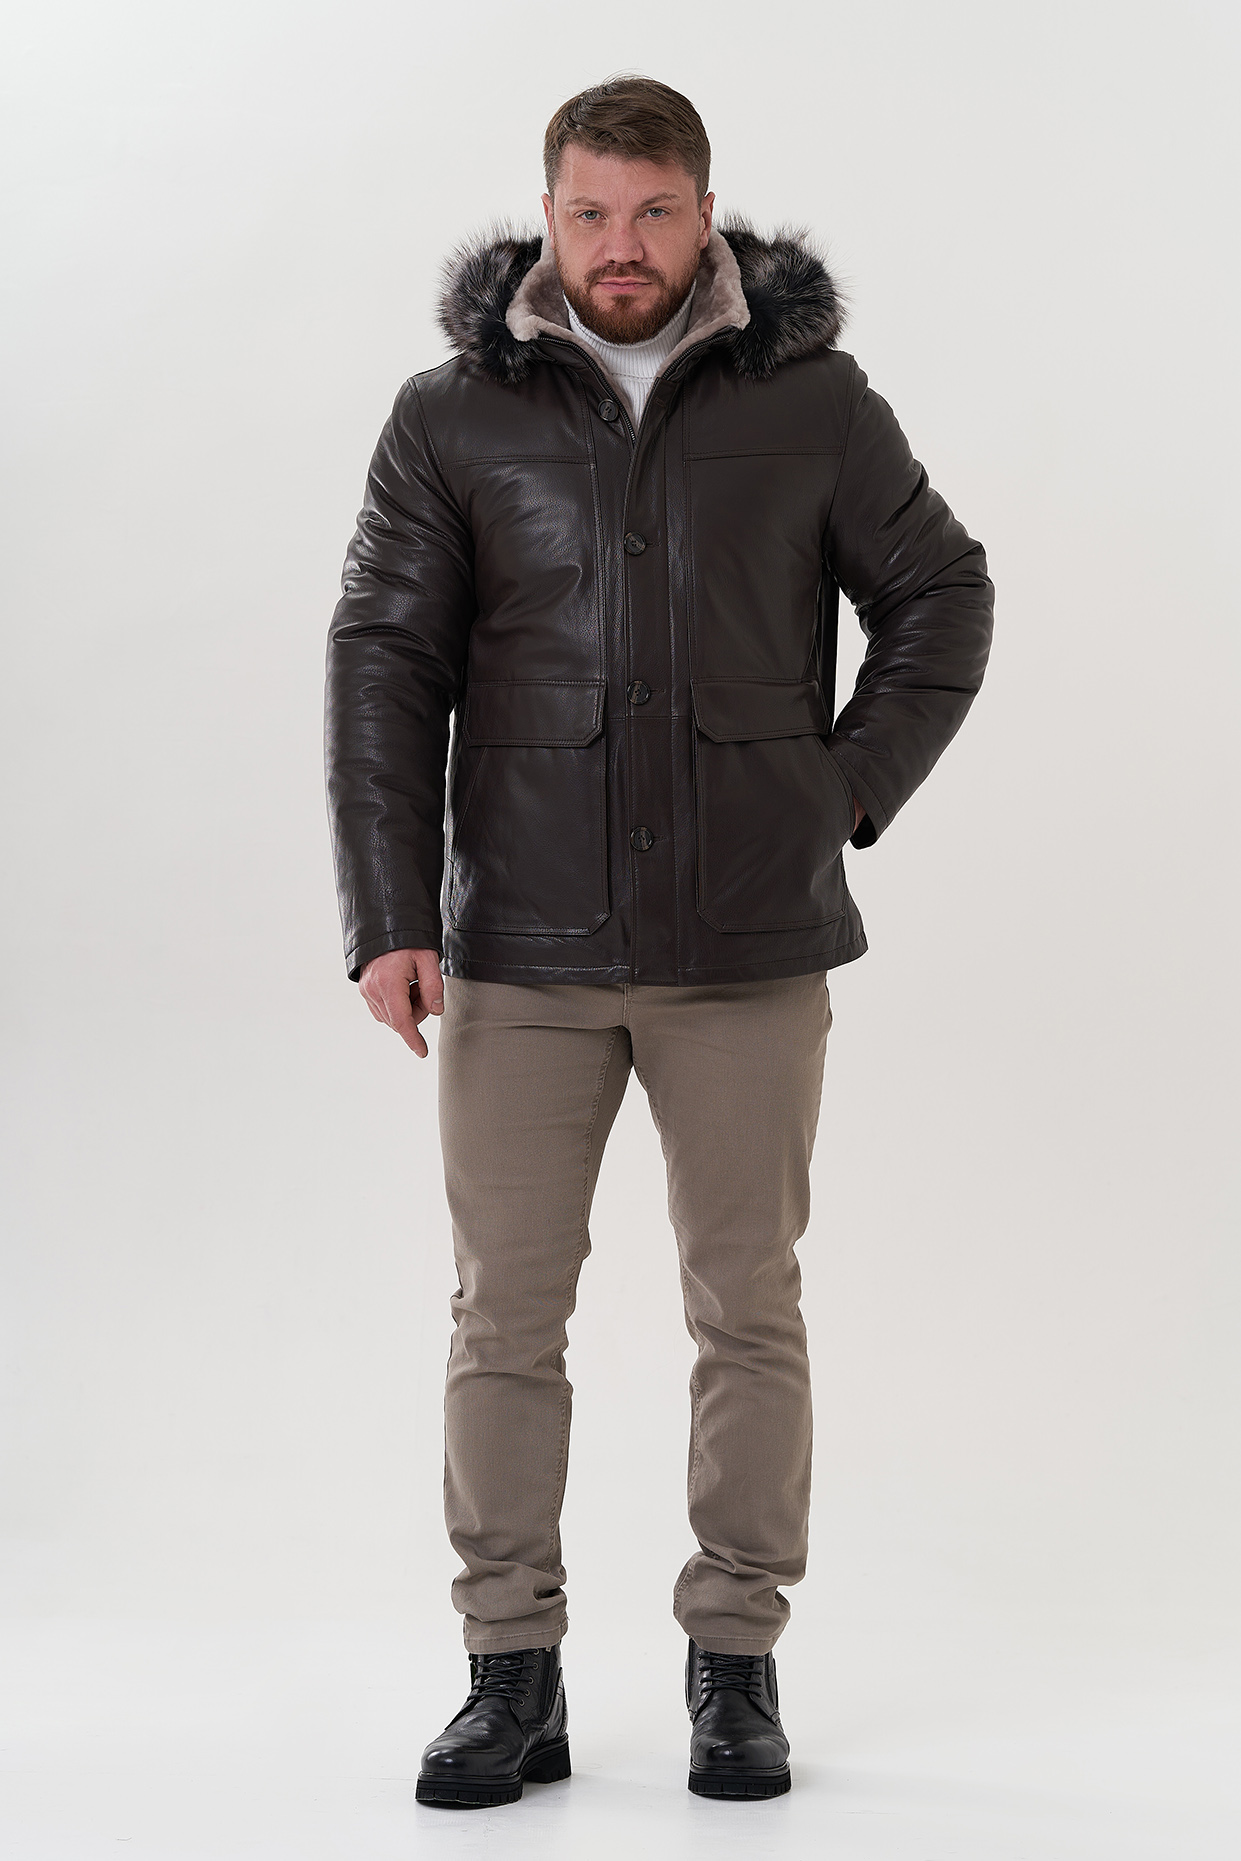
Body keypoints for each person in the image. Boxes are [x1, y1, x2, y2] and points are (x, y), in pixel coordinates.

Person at [324, 75, 993, 1809]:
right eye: (588, 213)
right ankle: (509, 1670)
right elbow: (386, 658)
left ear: (705, 213)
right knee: (502, 1316)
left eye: (651, 212)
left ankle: (735, 1661)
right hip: (519, 948)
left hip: (746, 948)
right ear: (545, 216)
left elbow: (940, 593)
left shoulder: (813, 400)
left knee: (747, 1308)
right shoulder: (449, 414)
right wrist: (388, 912)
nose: (618, 246)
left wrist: (837, 790)